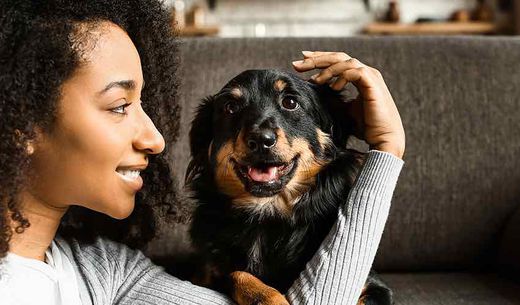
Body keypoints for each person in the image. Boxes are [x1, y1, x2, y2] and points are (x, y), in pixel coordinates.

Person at [0, 1, 405, 305]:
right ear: (22, 121)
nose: (156, 140)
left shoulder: (109, 272)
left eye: (144, 106)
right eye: (120, 105)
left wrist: (385, 154)